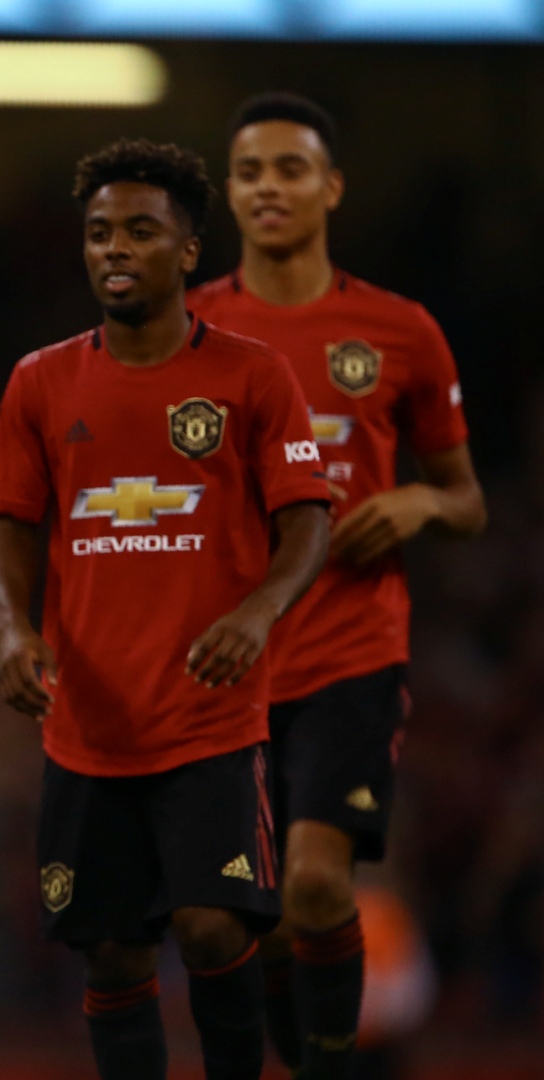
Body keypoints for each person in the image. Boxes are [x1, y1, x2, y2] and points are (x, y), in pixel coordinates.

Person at [0, 138, 332, 1079]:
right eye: (100, 232)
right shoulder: (40, 380)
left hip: (211, 720)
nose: (115, 249)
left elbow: (308, 520)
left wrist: (259, 611)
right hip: (88, 724)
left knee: (213, 927)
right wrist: (13, 627)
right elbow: (11, 522)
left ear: (189, 251)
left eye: (141, 231)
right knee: (111, 951)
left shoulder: (254, 376)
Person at [189, 92, 485, 1079]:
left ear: (332, 187)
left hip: (352, 652)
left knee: (316, 884)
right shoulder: (190, 331)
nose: (268, 187)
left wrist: (417, 504)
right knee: (253, 918)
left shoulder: (398, 330)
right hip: (229, 664)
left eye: (290, 168)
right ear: (230, 194)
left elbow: (467, 499)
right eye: (249, 172)